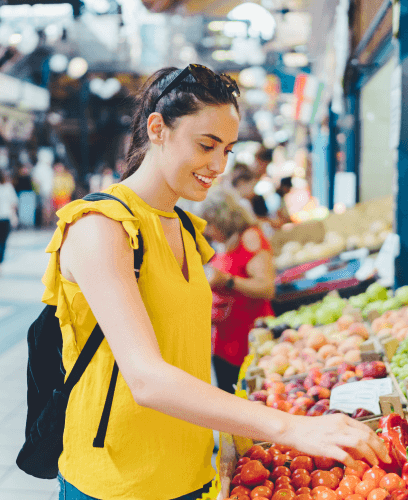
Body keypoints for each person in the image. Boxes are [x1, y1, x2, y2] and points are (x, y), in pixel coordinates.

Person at [41, 64, 387, 500]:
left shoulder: (186, 229)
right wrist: (290, 427)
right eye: (207, 145)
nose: (219, 165)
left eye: (227, 150)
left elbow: (184, 354)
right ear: (158, 128)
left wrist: (236, 429)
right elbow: (145, 378)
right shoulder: (100, 227)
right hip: (117, 483)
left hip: (191, 475)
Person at [201, 190, 275, 394]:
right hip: (225, 343)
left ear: (221, 219)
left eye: (208, 224)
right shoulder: (224, 242)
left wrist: (227, 280)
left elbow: (267, 288)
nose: (206, 231)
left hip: (248, 340)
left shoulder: (250, 237)